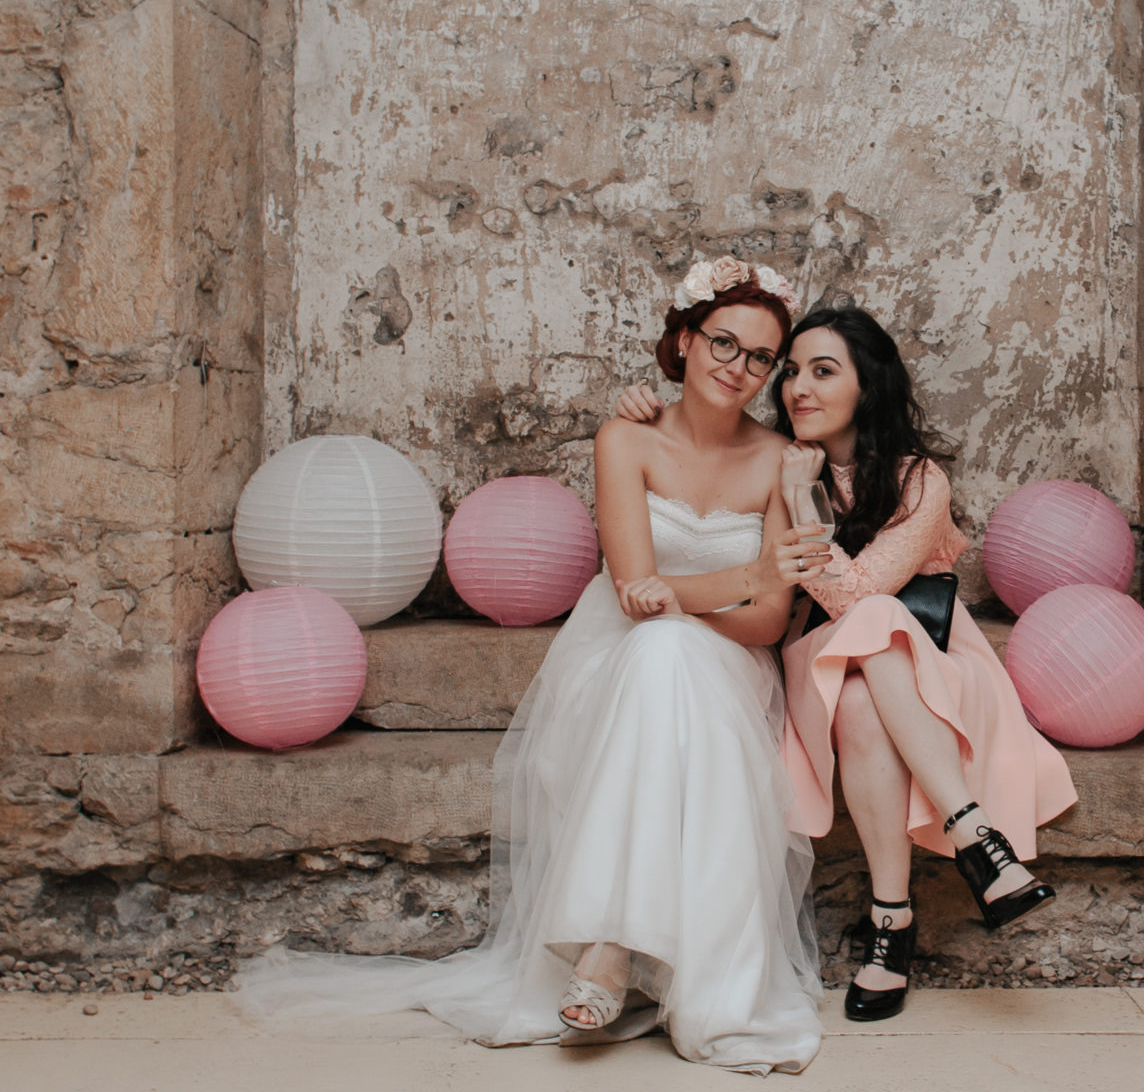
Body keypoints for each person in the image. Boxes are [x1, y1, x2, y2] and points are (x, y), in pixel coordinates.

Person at [236, 255, 829, 1074]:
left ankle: (612, 946)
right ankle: (622, 944)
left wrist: (711, 592)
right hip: (617, 656)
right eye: (724, 344)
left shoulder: (778, 460)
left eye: (760, 357)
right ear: (686, 340)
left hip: (727, 666)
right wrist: (744, 576)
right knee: (656, 650)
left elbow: (763, 621)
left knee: (672, 649)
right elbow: (630, 592)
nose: (739, 369)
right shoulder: (625, 436)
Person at [615, 302, 1076, 1022]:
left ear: (868, 387)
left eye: (823, 372)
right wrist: (786, 484)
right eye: (791, 371)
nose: (798, 387)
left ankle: (889, 924)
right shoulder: (777, 464)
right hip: (816, 669)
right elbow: (838, 600)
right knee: (864, 637)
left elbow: (863, 594)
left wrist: (800, 496)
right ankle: (973, 836)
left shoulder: (919, 479)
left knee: (872, 653)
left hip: (928, 672)